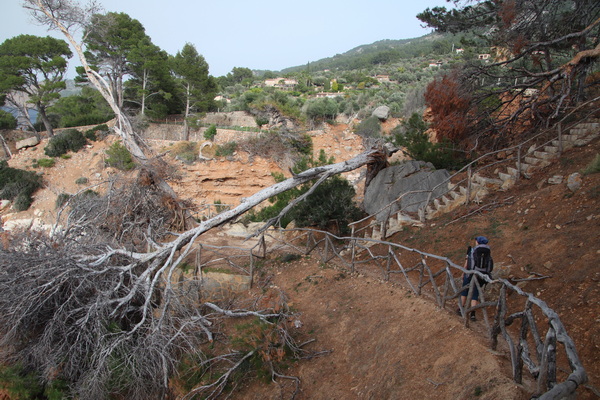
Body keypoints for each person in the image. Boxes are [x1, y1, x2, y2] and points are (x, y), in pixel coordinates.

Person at [457, 236, 491, 321]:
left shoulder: (472, 250)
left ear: (477, 242)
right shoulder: (487, 251)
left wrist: (463, 272)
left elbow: (467, 263)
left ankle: (461, 309)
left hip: (470, 274)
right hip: (481, 275)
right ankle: (472, 314)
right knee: (475, 294)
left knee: (465, 291)